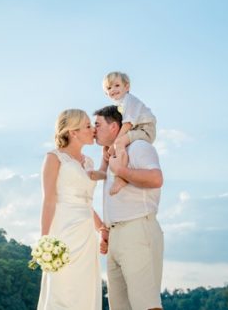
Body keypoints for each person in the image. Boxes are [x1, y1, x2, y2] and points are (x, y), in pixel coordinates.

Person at [94, 105, 164, 310]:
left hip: (137, 231)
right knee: (119, 306)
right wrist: (105, 229)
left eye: (97, 124)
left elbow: (156, 179)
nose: (93, 129)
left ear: (114, 126)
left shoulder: (139, 147)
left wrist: (121, 170)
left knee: (146, 304)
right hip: (116, 236)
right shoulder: (111, 156)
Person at [37, 109, 105, 310]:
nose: (93, 130)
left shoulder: (89, 163)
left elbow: (87, 203)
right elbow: (49, 200)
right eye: (87, 126)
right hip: (64, 231)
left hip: (86, 235)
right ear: (73, 132)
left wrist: (102, 229)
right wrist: (44, 240)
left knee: (85, 290)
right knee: (62, 288)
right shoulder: (54, 158)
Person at [95, 72, 157, 196]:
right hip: (135, 128)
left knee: (119, 142)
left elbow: (127, 125)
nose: (113, 90)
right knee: (116, 143)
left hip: (145, 129)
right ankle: (103, 170)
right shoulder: (119, 105)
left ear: (127, 87)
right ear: (106, 93)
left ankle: (121, 178)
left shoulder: (129, 100)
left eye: (117, 85)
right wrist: (108, 146)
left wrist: (115, 144)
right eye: (109, 88)